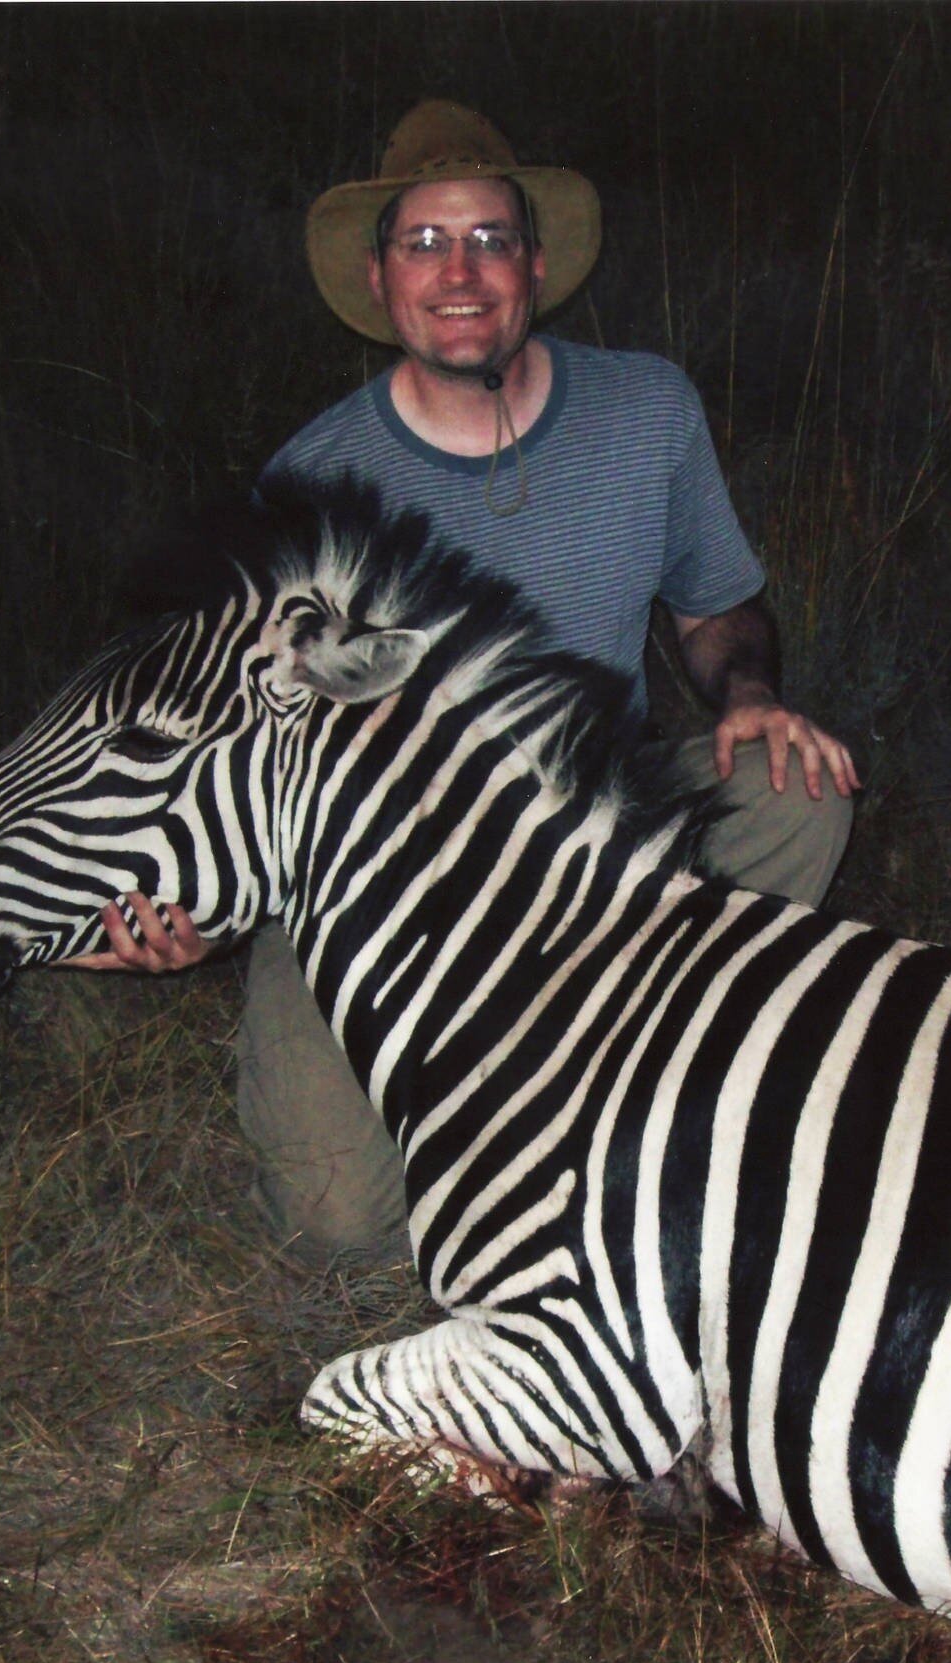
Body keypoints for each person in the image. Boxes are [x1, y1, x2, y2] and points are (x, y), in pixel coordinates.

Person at [68, 101, 859, 1260]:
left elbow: (711, 604)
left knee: (804, 794)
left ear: (535, 265)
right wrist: (196, 921)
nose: (460, 273)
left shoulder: (648, 410)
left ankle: (647, 1072)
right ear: (380, 279)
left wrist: (745, 694)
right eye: (424, 244)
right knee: (340, 1225)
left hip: (600, 839)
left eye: (488, 239)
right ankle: (504, 1093)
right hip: (378, 878)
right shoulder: (313, 481)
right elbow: (239, 743)